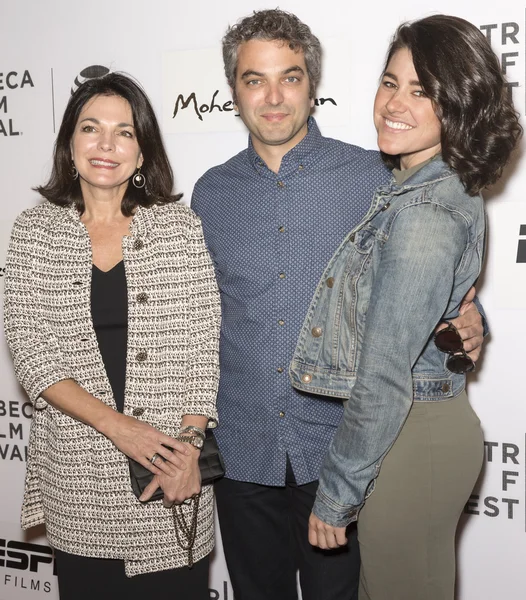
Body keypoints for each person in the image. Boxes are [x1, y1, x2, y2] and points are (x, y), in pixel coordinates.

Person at [191, 9, 486, 600]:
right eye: (255, 79)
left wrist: (465, 324)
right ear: (233, 90)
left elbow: (418, 292)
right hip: (245, 451)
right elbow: (198, 320)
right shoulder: (210, 193)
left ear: (312, 83)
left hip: (342, 454)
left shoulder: (373, 178)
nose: (273, 97)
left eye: (290, 77)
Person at [291, 15, 522, 600]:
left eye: (422, 91)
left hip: (411, 438)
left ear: (459, 105)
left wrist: (336, 494)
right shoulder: (421, 187)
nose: (395, 102)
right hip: (413, 435)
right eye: (390, 82)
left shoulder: (424, 214)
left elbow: (385, 375)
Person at [3, 72, 221, 599]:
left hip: (170, 476)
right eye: (90, 128)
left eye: (124, 132)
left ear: (142, 152)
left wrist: (188, 452)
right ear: (69, 143)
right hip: (80, 477)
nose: (106, 145)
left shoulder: (179, 229)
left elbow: (201, 351)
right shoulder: (33, 233)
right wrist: (124, 430)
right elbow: (34, 355)